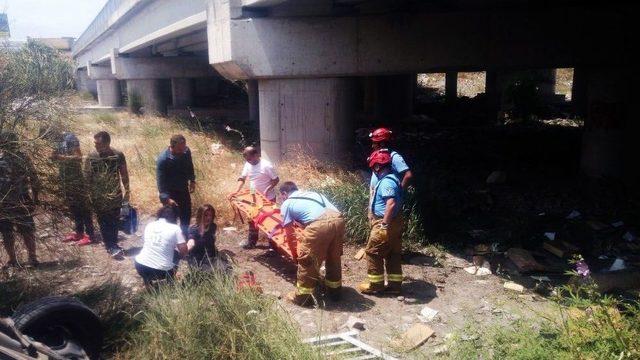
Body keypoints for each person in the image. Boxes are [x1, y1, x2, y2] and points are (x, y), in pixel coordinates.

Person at [279, 181, 345, 306]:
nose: (281, 199)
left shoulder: (287, 203)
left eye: (281, 196)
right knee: (333, 258)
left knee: (307, 261)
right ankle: (335, 291)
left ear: (284, 194)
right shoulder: (314, 194)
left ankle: (302, 298)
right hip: (339, 221)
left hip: (319, 225)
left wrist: (296, 256)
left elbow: (290, 234)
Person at [358, 150, 404, 295]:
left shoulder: (386, 182)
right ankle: (395, 286)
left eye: (374, 167)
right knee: (392, 253)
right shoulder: (395, 179)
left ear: (378, 167)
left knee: (373, 253)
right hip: (395, 221)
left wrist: (383, 225)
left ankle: (375, 285)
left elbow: (390, 203)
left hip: (384, 222)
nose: (373, 170)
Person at [84, 131, 130, 259]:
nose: (95, 146)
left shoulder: (118, 155)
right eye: (95, 143)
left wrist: (127, 191)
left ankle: (113, 243)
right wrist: (87, 195)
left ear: (106, 143)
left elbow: (124, 174)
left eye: (98, 143)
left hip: (115, 194)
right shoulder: (92, 156)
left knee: (115, 220)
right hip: (98, 196)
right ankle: (110, 246)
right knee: (103, 221)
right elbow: (87, 177)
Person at [0, 132, 40, 268]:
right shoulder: (16, 158)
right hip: (5, 202)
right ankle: (13, 260)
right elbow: (34, 178)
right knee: (7, 232)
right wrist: (35, 198)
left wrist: (35, 198)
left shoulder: (22, 158)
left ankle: (31, 258)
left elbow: (34, 178)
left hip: (20, 200)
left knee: (25, 230)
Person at [50, 131, 95, 246]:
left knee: (83, 207)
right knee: (73, 207)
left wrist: (61, 157)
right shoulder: (58, 140)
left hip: (76, 179)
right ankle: (79, 232)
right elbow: (54, 157)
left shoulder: (70, 138)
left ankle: (90, 235)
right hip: (65, 179)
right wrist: (53, 156)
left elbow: (78, 157)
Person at [230, 146, 279, 249]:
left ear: (256, 155)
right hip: (254, 196)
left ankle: (272, 247)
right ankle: (251, 242)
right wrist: (236, 190)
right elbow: (242, 178)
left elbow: (276, 179)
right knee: (252, 219)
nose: (249, 161)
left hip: (267, 197)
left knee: (269, 222)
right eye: (247, 159)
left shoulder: (266, 166)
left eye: (250, 159)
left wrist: (267, 190)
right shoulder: (248, 163)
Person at [135, 206, 187, 287]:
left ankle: (148, 283)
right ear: (175, 218)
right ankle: (170, 282)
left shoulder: (150, 225)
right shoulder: (175, 228)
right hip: (162, 271)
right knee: (176, 254)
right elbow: (183, 250)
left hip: (140, 266)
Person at [156, 134, 196, 236]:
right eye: (179, 149)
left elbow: (189, 165)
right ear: (172, 146)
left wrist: (192, 180)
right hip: (170, 193)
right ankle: (170, 240)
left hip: (183, 189)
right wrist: (166, 199)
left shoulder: (186, 151)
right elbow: (161, 183)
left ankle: (184, 237)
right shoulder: (163, 159)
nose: (183, 151)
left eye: (184, 148)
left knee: (186, 215)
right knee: (170, 219)